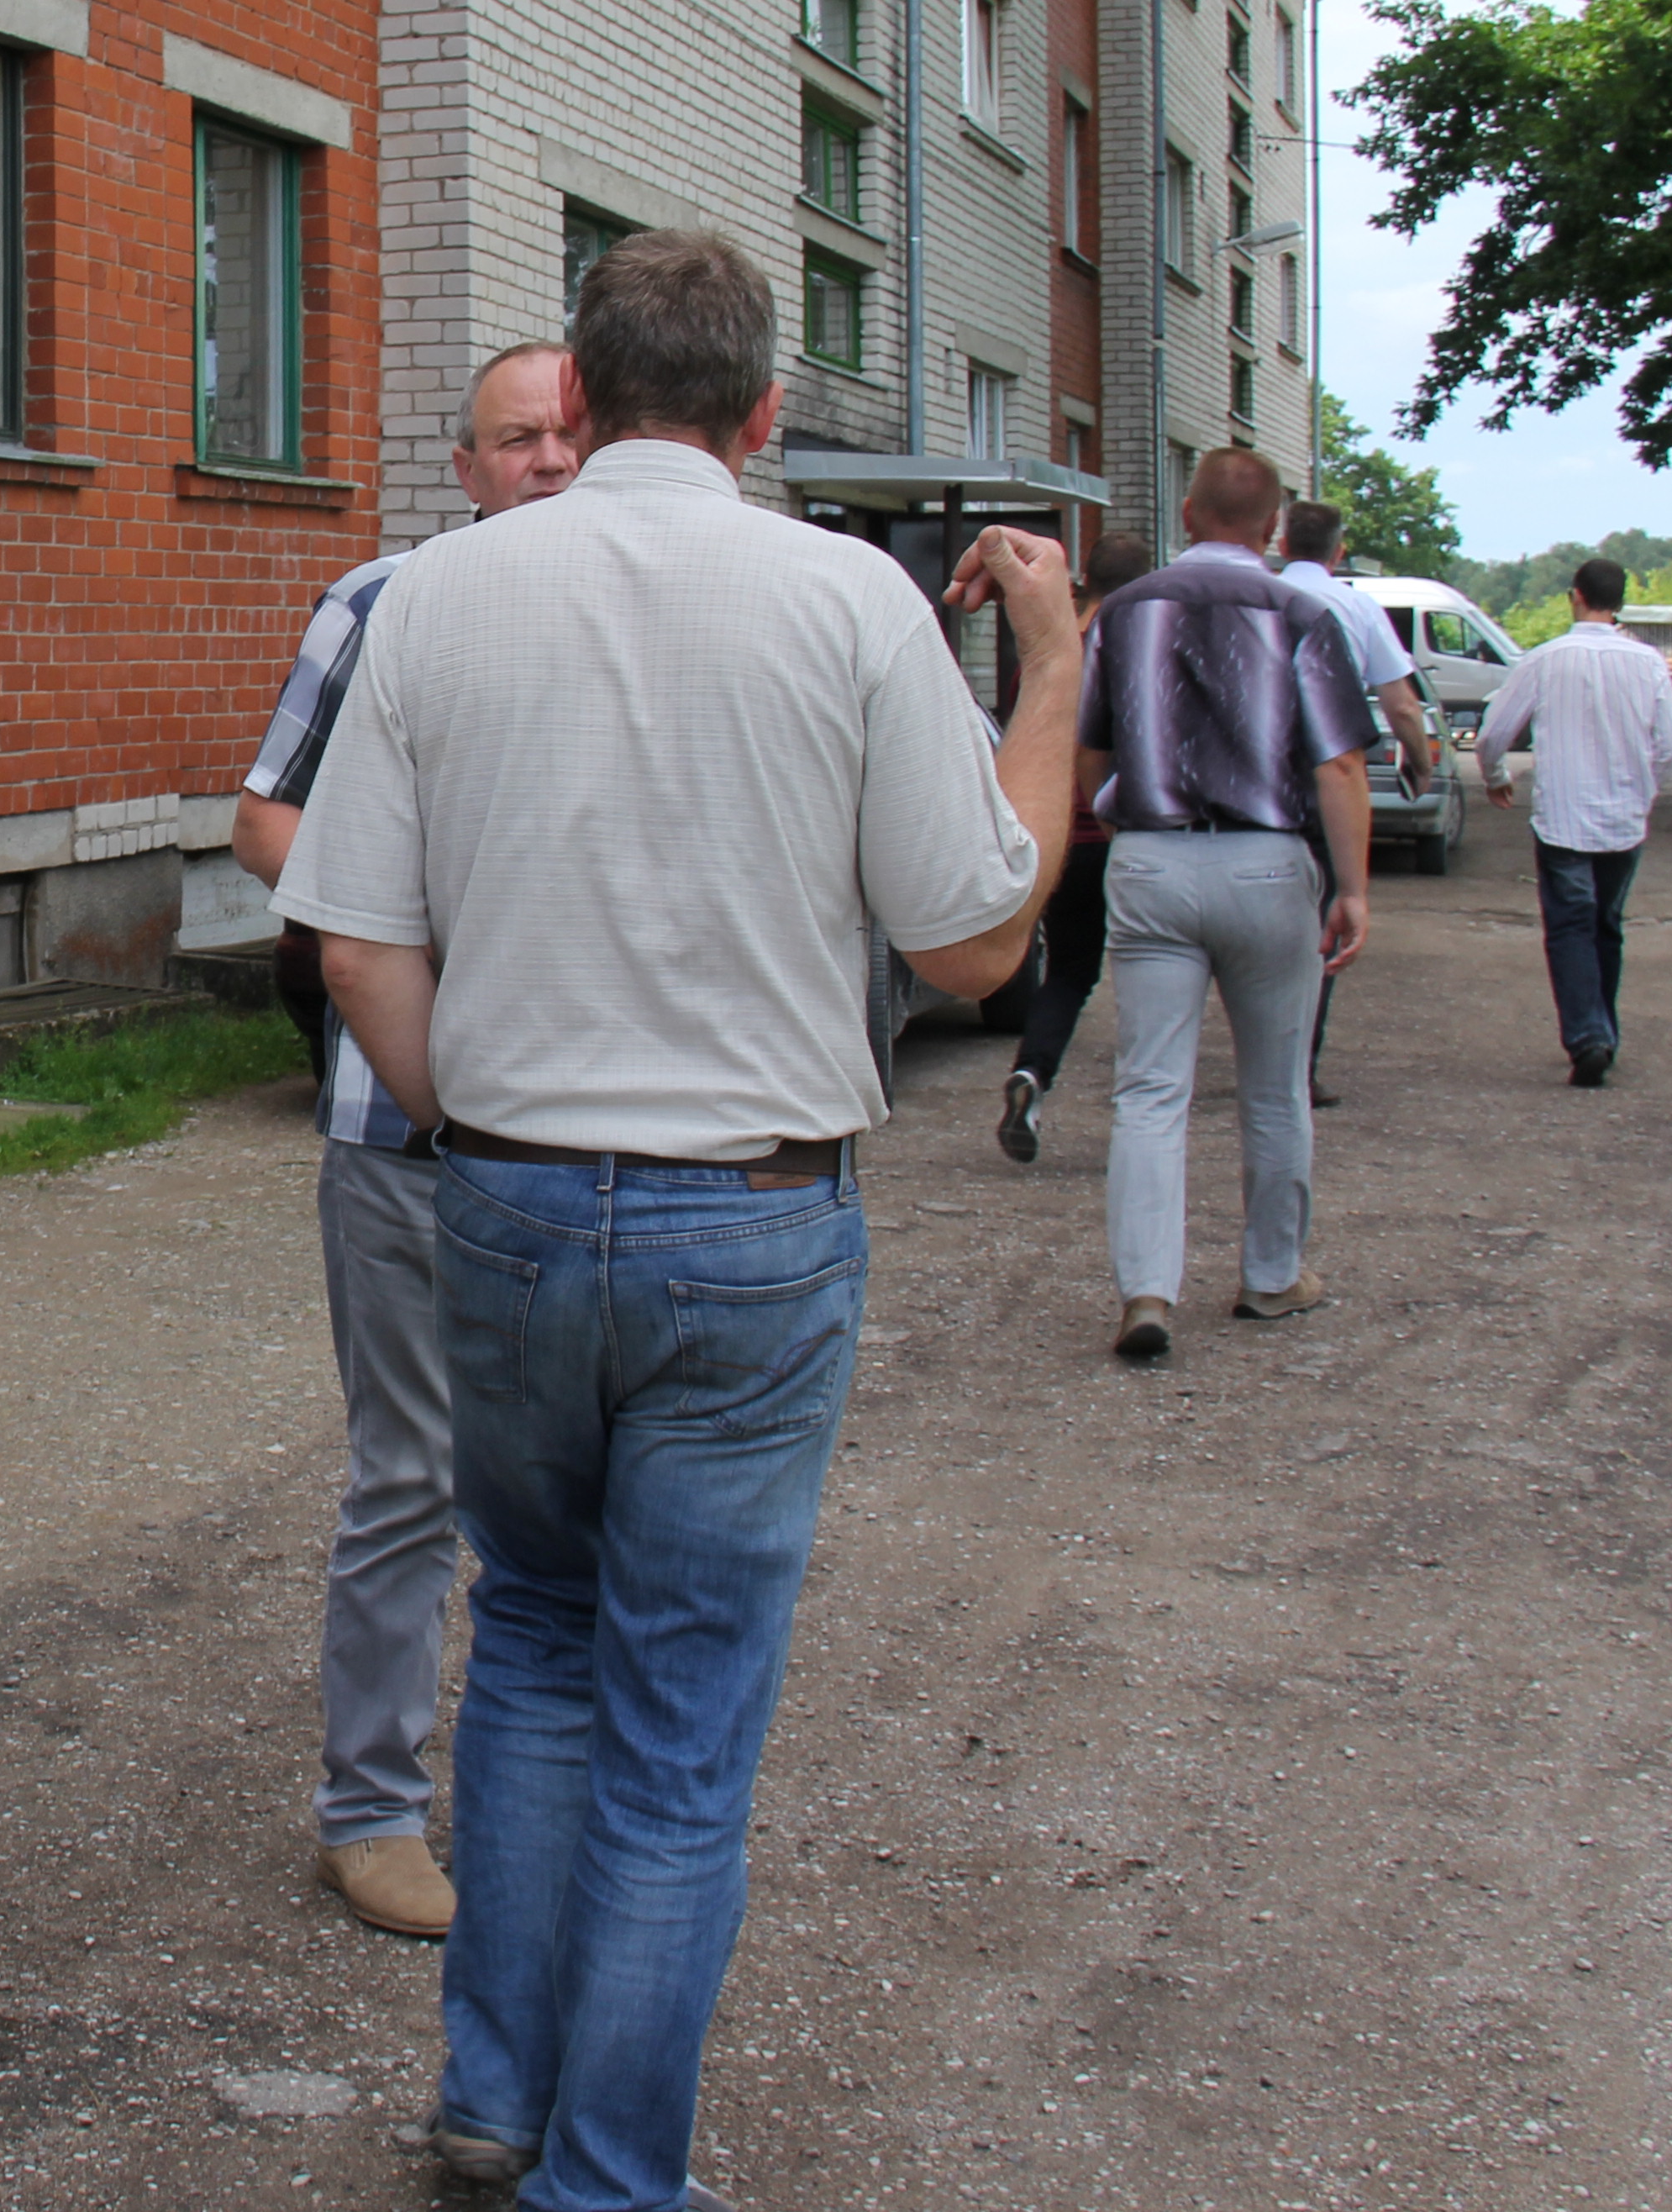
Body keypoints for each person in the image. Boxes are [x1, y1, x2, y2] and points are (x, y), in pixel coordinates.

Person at [275, 232, 1080, 2209]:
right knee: (679, 1725)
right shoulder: (849, 601)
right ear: (763, 412)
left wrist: (481, 1123)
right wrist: (1054, 668)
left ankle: (496, 2092)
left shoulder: (434, 596)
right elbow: (977, 940)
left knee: (535, 1645)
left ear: (580, 390)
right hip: (749, 1219)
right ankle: (609, 2177)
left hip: (507, 1206)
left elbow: (351, 934)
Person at [229, 340, 580, 1940]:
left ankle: (557, 1795)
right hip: (402, 1131)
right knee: (410, 1476)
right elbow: (265, 818)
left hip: (599, 1132)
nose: (547, 461)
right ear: (466, 469)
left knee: (579, 1485)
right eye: (515, 439)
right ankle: (368, 1811)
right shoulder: (383, 603)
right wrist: (407, 922)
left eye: (569, 434)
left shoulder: (654, 604)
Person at [1082, 447, 1376, 1366]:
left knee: (1149, 1089)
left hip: (1152, 859)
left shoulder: (1123, 612)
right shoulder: (1302, 613)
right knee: (1275, 1086)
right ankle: (1271, 1274)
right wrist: (1353, 887)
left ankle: (1146, 1290)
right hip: (1266, 863)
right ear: (1275, 528)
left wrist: (1113, 814)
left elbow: (1089, 747)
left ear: (1188, 512)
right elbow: (1340, 765)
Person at [1473, 557, 1672, 1086]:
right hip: (1624, 818)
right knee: (1606, 926)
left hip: (1564, 817)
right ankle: (1603, 1030)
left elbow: (1493, 733)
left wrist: (1496, 776)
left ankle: (1587, 1036)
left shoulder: (1545, 659)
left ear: (1575, 595)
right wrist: (1645, 790)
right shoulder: (1648, 663)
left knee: (1570, 926)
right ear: (1620, 601)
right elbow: (1670, 747)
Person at [1274, 502, 1433, 1108]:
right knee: (1321, 923)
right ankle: (1298, 1065)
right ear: (1338, 553)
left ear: (1282, 543)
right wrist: (1419, 760)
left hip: (1253, 777)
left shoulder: (1259, 595)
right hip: (1325, 775)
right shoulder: (1357, 607)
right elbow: (1402, 705)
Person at [997, 533, 1150, 1162]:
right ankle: (1145, 1108)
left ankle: (1032, 1071)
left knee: (1066, 972)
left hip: (1058, 837)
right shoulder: (1136, 652)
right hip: (1121, 833)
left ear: (1086, 577)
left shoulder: (1045, 656)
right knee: (1153, 972)